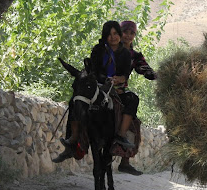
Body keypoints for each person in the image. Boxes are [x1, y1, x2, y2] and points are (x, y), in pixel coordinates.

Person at [54, 21, 137, 163]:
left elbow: (125, 75)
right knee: (76, 101)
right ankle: (73, 140)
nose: (113, 37)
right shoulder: (98, 50)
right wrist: (103, 78)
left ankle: (121, 135)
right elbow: (93, 70)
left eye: (115, 34)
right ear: (105, 36)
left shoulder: (125, 54)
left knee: (133, 99)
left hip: (116, 88)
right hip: (96, 84)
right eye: (109, 34)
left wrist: (118, 79)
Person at [116, 20, 158, 176]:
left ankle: (124, 161)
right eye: (125, 32)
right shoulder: (108, 50)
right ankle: (74, 141)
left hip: (120, 93)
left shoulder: (135, 56)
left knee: (133, 102)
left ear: (134, 36)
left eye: (131, 33)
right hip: (102, 87)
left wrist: (161, 75)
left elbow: (145, 70)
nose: (127, 35)